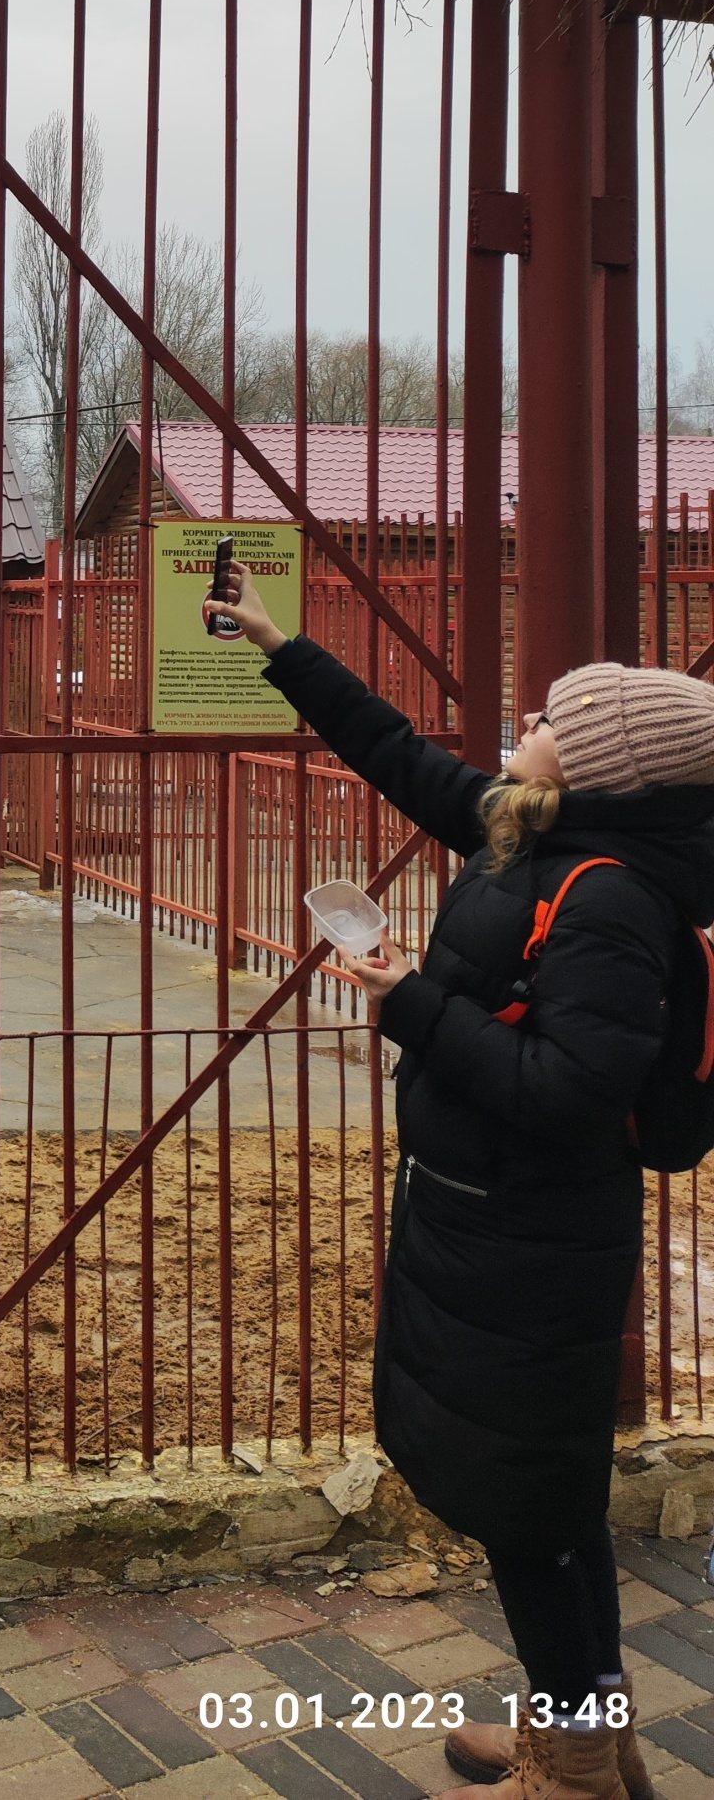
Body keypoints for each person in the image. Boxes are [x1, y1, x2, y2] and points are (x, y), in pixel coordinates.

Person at [205, 563, 714, 1800]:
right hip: (488, 1232)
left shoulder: (612, 904)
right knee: (541, 1508)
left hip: (533, 1246)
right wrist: (282, 646)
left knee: (533, 1519)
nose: (522, 727)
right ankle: (582, 1729)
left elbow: (564, 1091)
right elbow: (397, 755)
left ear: (595, 767)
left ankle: (577, 1772)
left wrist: (409, 1001)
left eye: (547, 719)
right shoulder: (533, 835)